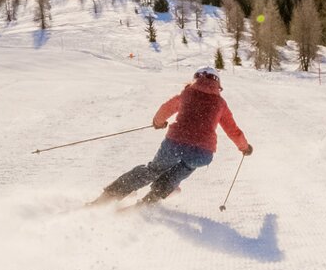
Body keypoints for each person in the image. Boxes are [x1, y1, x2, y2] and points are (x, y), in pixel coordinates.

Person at [94, 66, 253, 205]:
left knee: (153, 169)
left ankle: (109, 196)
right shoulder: (220, 103)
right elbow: (233, 131)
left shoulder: (187, 93)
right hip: (202, 152)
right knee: (182, 169)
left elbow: (166, 108)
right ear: (217, 83)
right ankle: (150, 200)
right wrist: (244, 147)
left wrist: (158, 122)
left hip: (175, 143)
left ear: (195, 78)